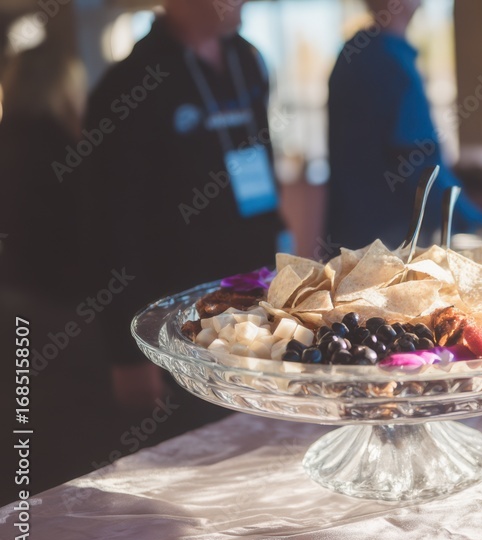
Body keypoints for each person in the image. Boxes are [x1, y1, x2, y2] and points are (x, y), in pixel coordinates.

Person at [83, 0, 284, 415]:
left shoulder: (247, 59)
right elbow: (109, 226)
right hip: (179, 310)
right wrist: (127, 355)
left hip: (256, 292)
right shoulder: (129, 84)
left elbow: (260, 157)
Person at [326, 0, 482, 250]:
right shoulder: (391, 64)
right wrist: (479, 224)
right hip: (391, 248)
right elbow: (421, 168)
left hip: (350, 239)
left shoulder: (351, 56)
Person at [0, 44, 87, 297]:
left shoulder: (8, 140)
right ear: (64, 86)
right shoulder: (61, 149)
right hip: (60, 292)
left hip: (13, 283)